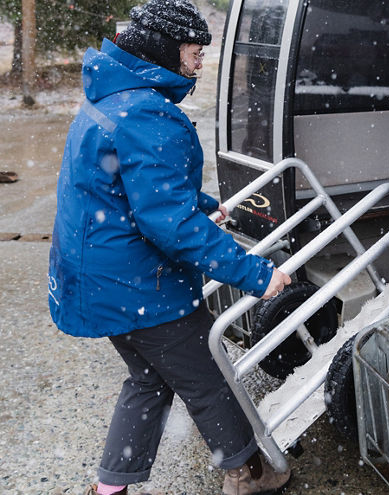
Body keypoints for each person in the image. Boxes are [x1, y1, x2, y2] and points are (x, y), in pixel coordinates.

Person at [47, 1, 293, 494]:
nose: (201, 60)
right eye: (194, 50)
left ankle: (110, 486)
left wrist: (202, 203)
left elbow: (133, 187)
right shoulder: (147, 113)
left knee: (148, 380)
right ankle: (248, 474)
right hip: (140, 287)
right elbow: (170, 224)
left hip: (101, 280)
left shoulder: (115, 97)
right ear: (165, 49)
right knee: (208, 380)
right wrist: (257, 275)